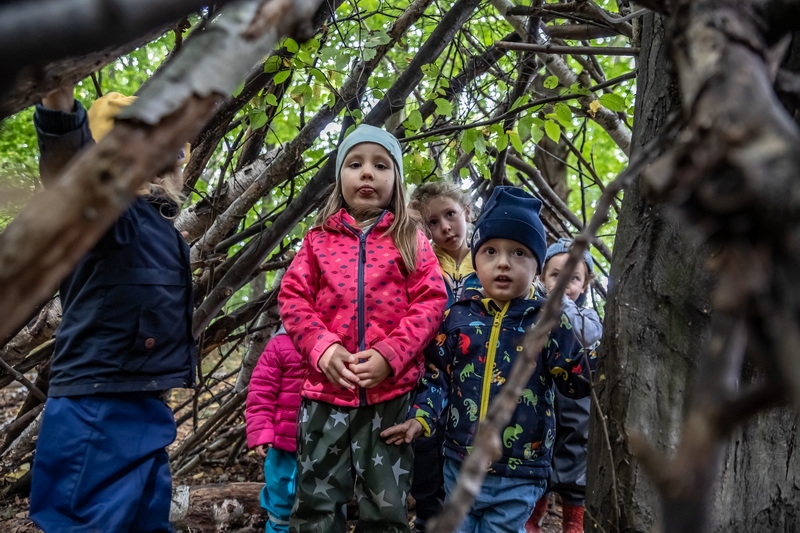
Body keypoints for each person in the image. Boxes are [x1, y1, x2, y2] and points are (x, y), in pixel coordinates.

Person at [28, 87, 196, 531]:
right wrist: (59, 109)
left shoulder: (161, 229)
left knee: (146, 519)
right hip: (96, 405)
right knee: (87, 521)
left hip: (143, 403)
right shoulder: (108, 217)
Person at [382, 186, 594, 533]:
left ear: (538, 267)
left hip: (520, 469)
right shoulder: (459, 317)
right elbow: (437, 376)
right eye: (491, 251)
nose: (504, 262)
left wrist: (599, 362)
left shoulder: (549, 320)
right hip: (458, 461)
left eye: (519, 253)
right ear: (475, 260)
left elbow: (575, 380)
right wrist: (421, 418)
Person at [278, 124, 449, 532]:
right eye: (355, 164)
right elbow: (293, 298)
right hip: (325, 395)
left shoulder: (411, 239)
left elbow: (431, 302)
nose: (367, 173)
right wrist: (323, 349)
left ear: (396, 179)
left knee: (386, 507)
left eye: (380, 165)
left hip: (390, 397)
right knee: (315, 504)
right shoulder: (317, 240)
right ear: (340, 177)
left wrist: (391, 356)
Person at [407, 181, 481, 532]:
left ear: (467, 212)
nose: (445, 228)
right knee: (426, 458)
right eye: (433, 222)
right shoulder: (421, 265)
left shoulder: (489, 262)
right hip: (429, 379)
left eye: (450, 215)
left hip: (477, 380)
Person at [526, 238, 602, 533]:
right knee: (539, 467)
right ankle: (533, 518)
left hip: (577, 411)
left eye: (573, 278)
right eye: (556, 276)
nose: (564, 284)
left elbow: (589, 335)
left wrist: (563, 305)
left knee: (575, 468)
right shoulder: (532, 311)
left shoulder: (587, 316)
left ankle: (574, 523)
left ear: (585, 285)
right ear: (542, 277)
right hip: (541, 408)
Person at [245, 327, 304, 533]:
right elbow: (261, 391)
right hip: (283, 443)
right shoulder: (280, 343)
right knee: (281, 499)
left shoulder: (338, 342)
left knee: (326, 499)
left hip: (326, 445)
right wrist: (261, 431)